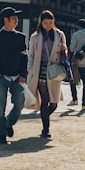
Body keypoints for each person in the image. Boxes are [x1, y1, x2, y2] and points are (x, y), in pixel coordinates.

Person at [0, 6, 27, 145]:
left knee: (19, 103)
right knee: (0, 107)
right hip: (2, 77)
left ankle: (8, 123)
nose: (17, 20)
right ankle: (1, 134)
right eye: (14, 18)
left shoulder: (21, 37)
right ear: (6, 20)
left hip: (17, 77)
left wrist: (23, 74)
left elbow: (24, 57)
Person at [26, 10, 67, 138]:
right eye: (45, 23)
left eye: (50, 22)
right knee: (46, 99)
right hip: (40, 70)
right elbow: (31, 54)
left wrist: (64, 49)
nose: (48, 25)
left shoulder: (59, 35)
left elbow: (64, 52)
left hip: (54, 70)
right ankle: (46, 129)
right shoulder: (35, 37)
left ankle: (44, 116)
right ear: (41, 23)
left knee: (54, 103)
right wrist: (31, 69)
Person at [67, 19, 85, 108]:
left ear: (79, 26)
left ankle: (75, 99)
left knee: (72, 80)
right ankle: (84, 103)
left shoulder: (76, 34)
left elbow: (71, 48)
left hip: (77, 63)